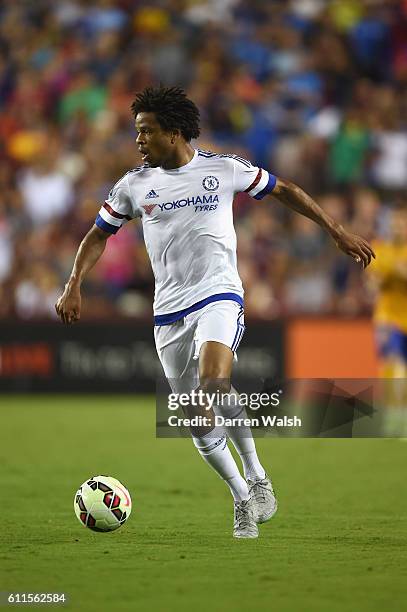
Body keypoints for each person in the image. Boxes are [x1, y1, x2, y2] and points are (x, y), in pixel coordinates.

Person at [55, 86, 375, 538]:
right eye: (137, 132)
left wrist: (336, 230)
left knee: (213, 381)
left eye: (146, 131)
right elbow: (97, 235)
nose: (139, 141)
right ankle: (242, 495)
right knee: (195, 417)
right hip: (167, 311)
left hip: (218, 293)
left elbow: (285, 190)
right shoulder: (134, 185)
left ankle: (259, 476)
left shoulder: (223, 169)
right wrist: (73, 284)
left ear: (174, 132)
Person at [368, 207, 407, 434]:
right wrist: (394, 272)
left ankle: (400, 415)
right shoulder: (381, 249)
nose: (398, 228)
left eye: (402, 224)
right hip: (387, 317)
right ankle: (395, 416)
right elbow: (373, 283)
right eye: (395, 224)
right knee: (394, 365)